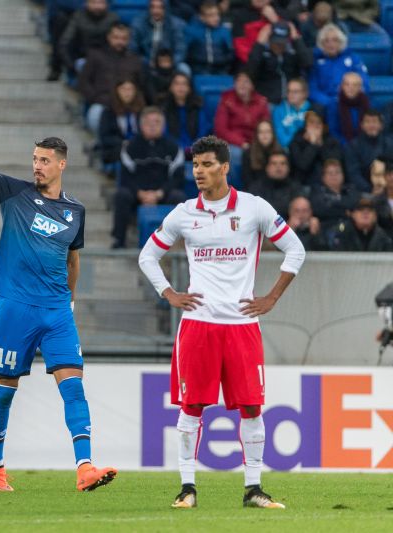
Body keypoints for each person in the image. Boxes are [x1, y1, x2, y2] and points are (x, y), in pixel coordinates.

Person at [0, 100, 117, 492]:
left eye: (45, 160)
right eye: (35, 159)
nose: (37, 166)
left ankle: (85, 467)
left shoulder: (75, 211)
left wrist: (69, 301)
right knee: (4, 389)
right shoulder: (14, 194)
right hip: (16, 308)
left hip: (56, 313)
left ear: (62, 165)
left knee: (73, 385)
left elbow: (73, 261)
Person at [138, 135, 305, 510]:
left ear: (225, 167)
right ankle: (186, 488)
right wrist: (169, 293)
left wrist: (272, 297)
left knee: (251, 408)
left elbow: (296, 249)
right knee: (192, 406)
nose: (199, 171)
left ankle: (253, 489)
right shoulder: (183, 213)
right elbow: (147, 257)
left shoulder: (254, 208)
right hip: (198, 323)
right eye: (195, 165)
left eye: (207, 164)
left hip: (242, 325)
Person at [112, 106, 185, 249]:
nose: (152, 126)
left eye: (157, 122)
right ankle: (119, 242)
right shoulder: (130, 147)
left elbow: (177, 178)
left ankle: (177, 245)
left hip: (163, 194)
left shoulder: (174, 147)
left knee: (179, 196)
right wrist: (140, 194)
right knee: (121, 195)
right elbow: (125, 178)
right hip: (137, 194)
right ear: (141, 125)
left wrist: (159, 193)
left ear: (163, 126)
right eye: (148, 123)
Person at [77, 22, 143, 133]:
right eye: (116, 37)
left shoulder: (135, 60)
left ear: (128, 40)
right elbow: (83, 82)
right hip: (103, 103)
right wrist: (95, 98)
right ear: (109, 37)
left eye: (124, 38)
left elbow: (141, 85)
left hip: (129, 106)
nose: (119, 42)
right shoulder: (96, 56)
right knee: (95, 113)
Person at [213, 70, 270, 181]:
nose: (242, 84)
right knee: (235, 155)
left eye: (246, 81)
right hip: (233, 143)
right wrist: (242, 143)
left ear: (253, 85)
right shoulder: (226, 100)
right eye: (239, 81)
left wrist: (256, 142)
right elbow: (221, 129)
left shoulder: (261, 102)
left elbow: (266, 125)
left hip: (256, 140)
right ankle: (239, 190)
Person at [246, 21, 311, 105]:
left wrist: (296, 38)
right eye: (275, 42)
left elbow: (308, 63)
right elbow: (250, 71)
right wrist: (259, 43)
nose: (278, 46)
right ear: (269, 39)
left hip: (291, 101)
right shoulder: (262, 53)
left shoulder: (292, 52)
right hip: (268, 102)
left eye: (282, 43)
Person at [308, 23, 369, 107]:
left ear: (341, 42)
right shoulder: (316, 61)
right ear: (321, 44)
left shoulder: (353, 59)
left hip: (350, 100)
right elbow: (313, 89)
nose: (331, 44)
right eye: (326, 41)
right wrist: (329, 102)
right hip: (326, 104)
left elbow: (364, 83)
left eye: (335, 40)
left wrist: (348, 98)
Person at [57, 0, 119, 76]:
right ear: (86, 3)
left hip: (108, 60)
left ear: (107, 4)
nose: (97, 6)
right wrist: (71, 65)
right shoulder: (78, 17)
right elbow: (64, 43)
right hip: (83, 59)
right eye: (94, 3)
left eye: (101, 3)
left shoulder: (113, 18)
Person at [130, 0, 188, 74]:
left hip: (169, 62)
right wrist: (147, 62)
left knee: (184, 68)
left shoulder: (176, 25)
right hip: (145, 63)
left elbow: (180, 50)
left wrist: (170, 63)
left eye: (160, 7)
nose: (156, 11)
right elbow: (133, 49)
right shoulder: (138, 24)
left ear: (166, 9)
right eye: (152, 7)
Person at [97, 79, 146, 165]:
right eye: (123, 89)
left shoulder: (142, 111)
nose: (127, 93)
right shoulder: (108, 111)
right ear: (117, 91)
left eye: (130, 89)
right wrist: (124, 143)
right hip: (117, 149)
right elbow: (105, 137)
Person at [344, 109, 393, 193]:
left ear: (381, 125)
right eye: (368, 122)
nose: (371, 125)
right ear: (362, 125)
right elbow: (353, 173)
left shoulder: (389, 143)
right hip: (363, 191)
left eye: (374, 121)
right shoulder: (353, 146)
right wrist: (369, 189)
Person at [288, 110, 342, 185]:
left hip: (328, 184)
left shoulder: (333, 142)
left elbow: (333, 164)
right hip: (303, 185)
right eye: (311, 122)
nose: (314, 126)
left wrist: (319, 144)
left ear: (324, 126)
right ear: (306, 125)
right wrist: (313, 144)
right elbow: (302, 165)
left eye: (318, 123)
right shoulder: (296, 142)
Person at [160, 72, 208, 153]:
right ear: (170, 87)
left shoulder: (198, 107)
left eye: (184, 84)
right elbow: (164, 134)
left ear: (189, 88)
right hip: (171, 151)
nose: (180, 87)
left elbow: (203, 131)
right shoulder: (163, 108)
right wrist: (180, 149)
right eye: (177, 83)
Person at [310, 158, 360, 234]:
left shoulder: (351, 189)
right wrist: (344, 212)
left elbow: (354, 203)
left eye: (337, 172)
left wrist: (332, 203)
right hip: (327, 229)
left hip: (351, 230)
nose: (334, 176)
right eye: (330, 173)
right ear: (323, 177)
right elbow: (320, 209)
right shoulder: (317, 191)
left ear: (343, 175)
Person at [184, 0, 234, 76]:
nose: (216, 18)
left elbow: (230, 52)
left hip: (220, 69)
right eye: (211, 15)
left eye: (217, 14)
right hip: (198, 69)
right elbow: (186, 51)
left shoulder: (224, 31)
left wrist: (224, 62)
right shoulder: (191, 31)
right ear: (202, 17)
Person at [248, 150, 301, 218]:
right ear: (267, 168)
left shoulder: (296, 188)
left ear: (288, 168)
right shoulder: (255, 189)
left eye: (283, 163)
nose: (278, 167)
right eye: (274, 163)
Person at [327, 72, 370, 145]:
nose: (351, 88)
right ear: (342, 86)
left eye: (355, 85)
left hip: (365, 144)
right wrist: (349, 146)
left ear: (360, 88)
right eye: (347, 84)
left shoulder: (367, 104)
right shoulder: (334, 105)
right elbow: (333, 131)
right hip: (342, 145)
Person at [272, 78, 314, 149]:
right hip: (287, 149)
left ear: (305, 93)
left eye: (295, 91)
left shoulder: (313, 110)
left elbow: (312, 137)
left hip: (307, 149)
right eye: (289, 91)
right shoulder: (278, 111)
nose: (290, 94)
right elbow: (281, 136)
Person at [241, 119, 283, 189]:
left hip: (278, 191)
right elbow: (247, 181)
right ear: (256, 135)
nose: (265, 135)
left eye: (268, 131)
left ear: (273, 134)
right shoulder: (248, 153)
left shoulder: (281, 152)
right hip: (255, 193)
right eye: (261, 132)